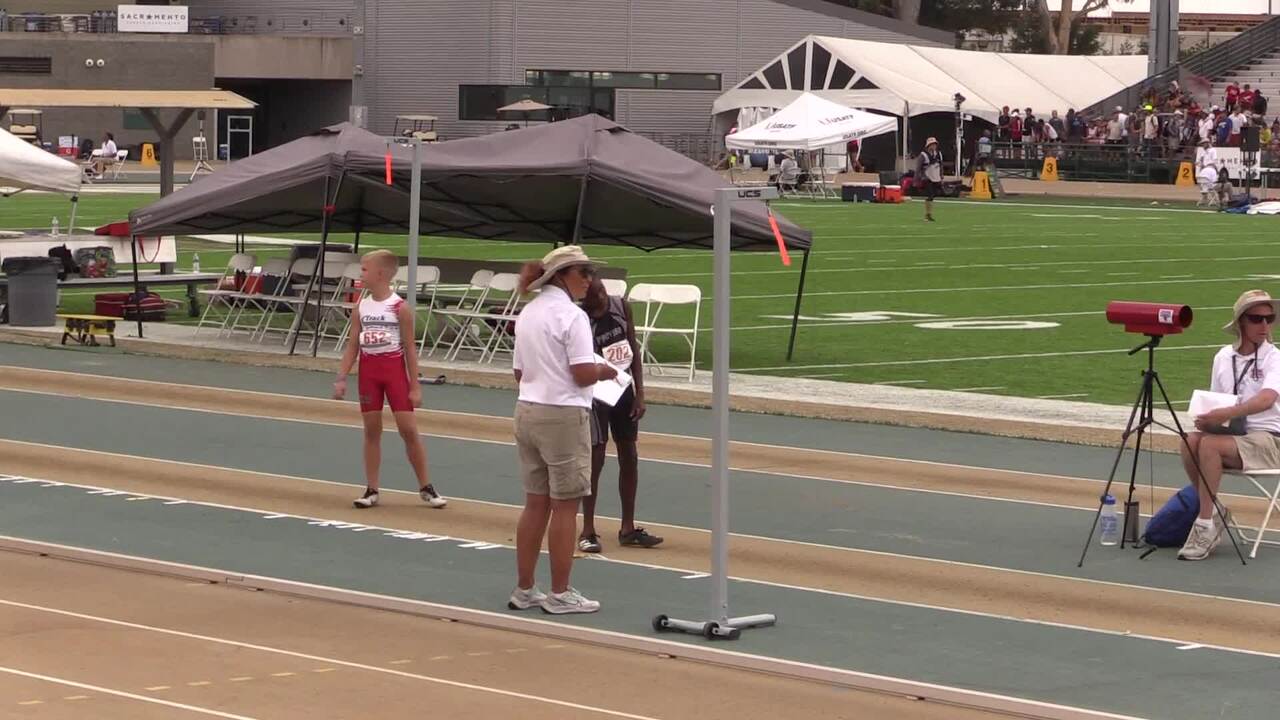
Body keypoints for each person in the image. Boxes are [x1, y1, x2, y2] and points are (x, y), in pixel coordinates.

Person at [508, 245, 617, 614]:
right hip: (563, 413)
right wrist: (605, 371)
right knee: (565, 505)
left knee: (534, 502)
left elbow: (519, 372)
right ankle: (560, 592)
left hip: (528, 409)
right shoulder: (571, 315)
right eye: (582, 272)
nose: (589, 279)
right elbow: (583, 373)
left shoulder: (529, 312)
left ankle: (525, 588)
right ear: (561, 276)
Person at [333, 250, 447, 510]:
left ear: (380, 274)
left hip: (393, 373)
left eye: (364, 269)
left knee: (408, 429)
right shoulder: (361, 307)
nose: (360, 274)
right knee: (372, 430)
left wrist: (415, 387)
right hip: (369, 374)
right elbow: (352, 345)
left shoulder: (400, 307)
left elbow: (409, 348)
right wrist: (341, 378)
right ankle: (371, 489)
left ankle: (426, 487)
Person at [1180, 291, 1280, 561]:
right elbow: (1217, 402)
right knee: (1190, 441)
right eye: (1256, 319)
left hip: (1269, 438)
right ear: (1240, 323)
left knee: (1210, 446)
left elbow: (1267, 399)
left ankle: (1204, 525)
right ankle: (1212, 512)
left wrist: (1228, 412)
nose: (1265, 326)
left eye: (1269, 319)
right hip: (1233, 434)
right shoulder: (1223, 357)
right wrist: (1207, 418)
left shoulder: (1275, 357)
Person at [576, 279, 662, 554]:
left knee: (630, 455)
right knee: (596, 458)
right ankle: (587, 530)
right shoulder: (579, 318)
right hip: (596, 394)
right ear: (585, 299)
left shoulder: (621, 307)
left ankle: (628, 527)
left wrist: (640, 393)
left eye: (603, 291)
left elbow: (633, 350)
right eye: (596, 294)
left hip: (623, 388)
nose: (602, 297)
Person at [916, 137, 943, 223]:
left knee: (933, 196)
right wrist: (919, 178)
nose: (934, 146)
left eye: (935, 144)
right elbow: (918, 168)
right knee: (930, 196)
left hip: (936, 177)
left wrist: (941, 175)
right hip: (927, 178)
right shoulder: (923, 155)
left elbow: (941, 165)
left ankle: (929, 214)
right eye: (932, 144)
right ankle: (928, 215)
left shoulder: (938, 154)